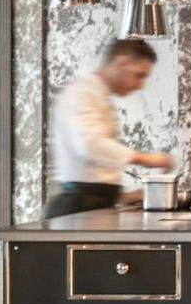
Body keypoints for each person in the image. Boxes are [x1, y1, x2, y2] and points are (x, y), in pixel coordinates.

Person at [45, 38, 176, 219]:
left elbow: (93, 172)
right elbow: (90, 145)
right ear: (121, 62)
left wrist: (124, 197)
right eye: (139, 75)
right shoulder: (81, 93)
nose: (141, 85)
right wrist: (146, 158)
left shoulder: (98, 94)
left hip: (92, 205)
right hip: (77, 209)